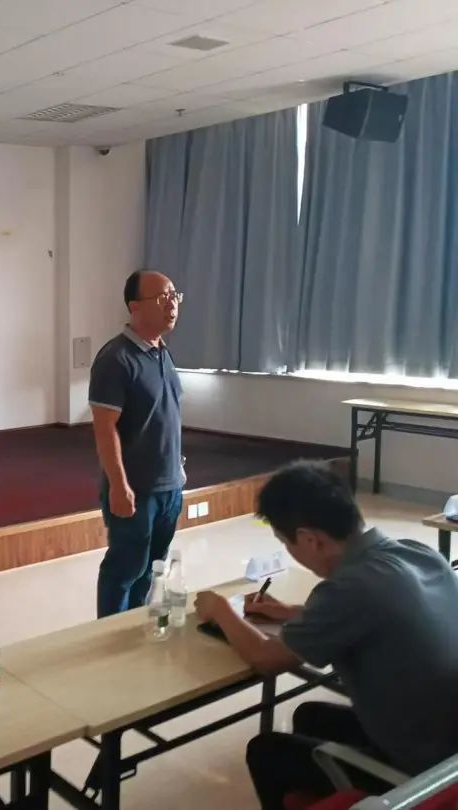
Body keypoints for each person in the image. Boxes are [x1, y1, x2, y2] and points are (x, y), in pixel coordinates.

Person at [194, 462, 458, 810]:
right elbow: (380, 614)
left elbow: (266, 659)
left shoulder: (350, 588)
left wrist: (220, 610)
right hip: (447, 742)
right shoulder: (416, 552)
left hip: (425, 777)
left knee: (266, 751)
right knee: (311, 716)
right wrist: (294, 613)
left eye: (285, 542)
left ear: (310, 539)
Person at [89, 269, 185, 616]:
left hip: (169, 487)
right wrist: (118, 485)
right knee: (125, 570)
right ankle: (110, 635)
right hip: (136, 490)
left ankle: (132, 630)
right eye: (162, 297)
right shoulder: (116, 358)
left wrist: (176, 468)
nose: (171, 304)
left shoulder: (163, 354)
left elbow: (165, 416)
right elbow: (105, 428)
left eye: (174, 296)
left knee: (151, 571)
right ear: (135, 307)